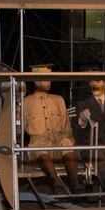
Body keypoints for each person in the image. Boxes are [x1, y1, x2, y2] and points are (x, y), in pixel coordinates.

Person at [22, 65, 79, 196]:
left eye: (49, 79)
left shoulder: (58, 100)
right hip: (38, 150)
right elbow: (19, 131)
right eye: (45, 79)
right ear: (36, 81)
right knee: (39, 146)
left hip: (57, 146)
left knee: (66, 142)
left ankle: (75, 183)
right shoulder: (26, 102)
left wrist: (68, 139)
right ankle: (56, 183)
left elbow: (66, 127)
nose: (49, 82)